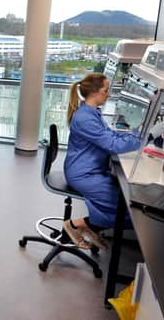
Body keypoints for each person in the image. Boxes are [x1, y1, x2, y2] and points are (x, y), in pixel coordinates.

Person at [63, 73, 141, 249]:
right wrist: (141, 137)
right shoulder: (85, 118)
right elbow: (112, 144)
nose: (109, 94)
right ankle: (77, 224)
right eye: (106, 91)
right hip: (84, 174)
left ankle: (91, 227)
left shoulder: (91, 113)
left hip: (91, 171)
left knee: (125, 198)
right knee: (127, 209)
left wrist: (134, 134)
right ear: (94, 93)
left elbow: (110, 135)